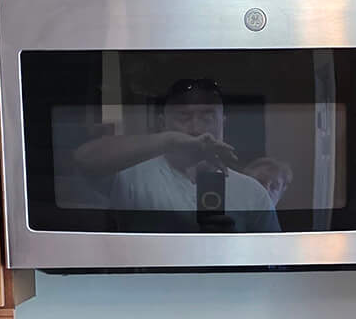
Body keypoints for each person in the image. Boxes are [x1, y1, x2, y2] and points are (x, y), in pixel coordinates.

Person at [73, 79, 279, 229]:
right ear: (163, 122)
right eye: (184, 116)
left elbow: (274, 263)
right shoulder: (133, 176)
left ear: (223, 122)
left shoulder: (252, 193)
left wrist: (234, 244)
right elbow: (83, 159)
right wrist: (168, 141)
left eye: (207, 117)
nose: (196, 128)